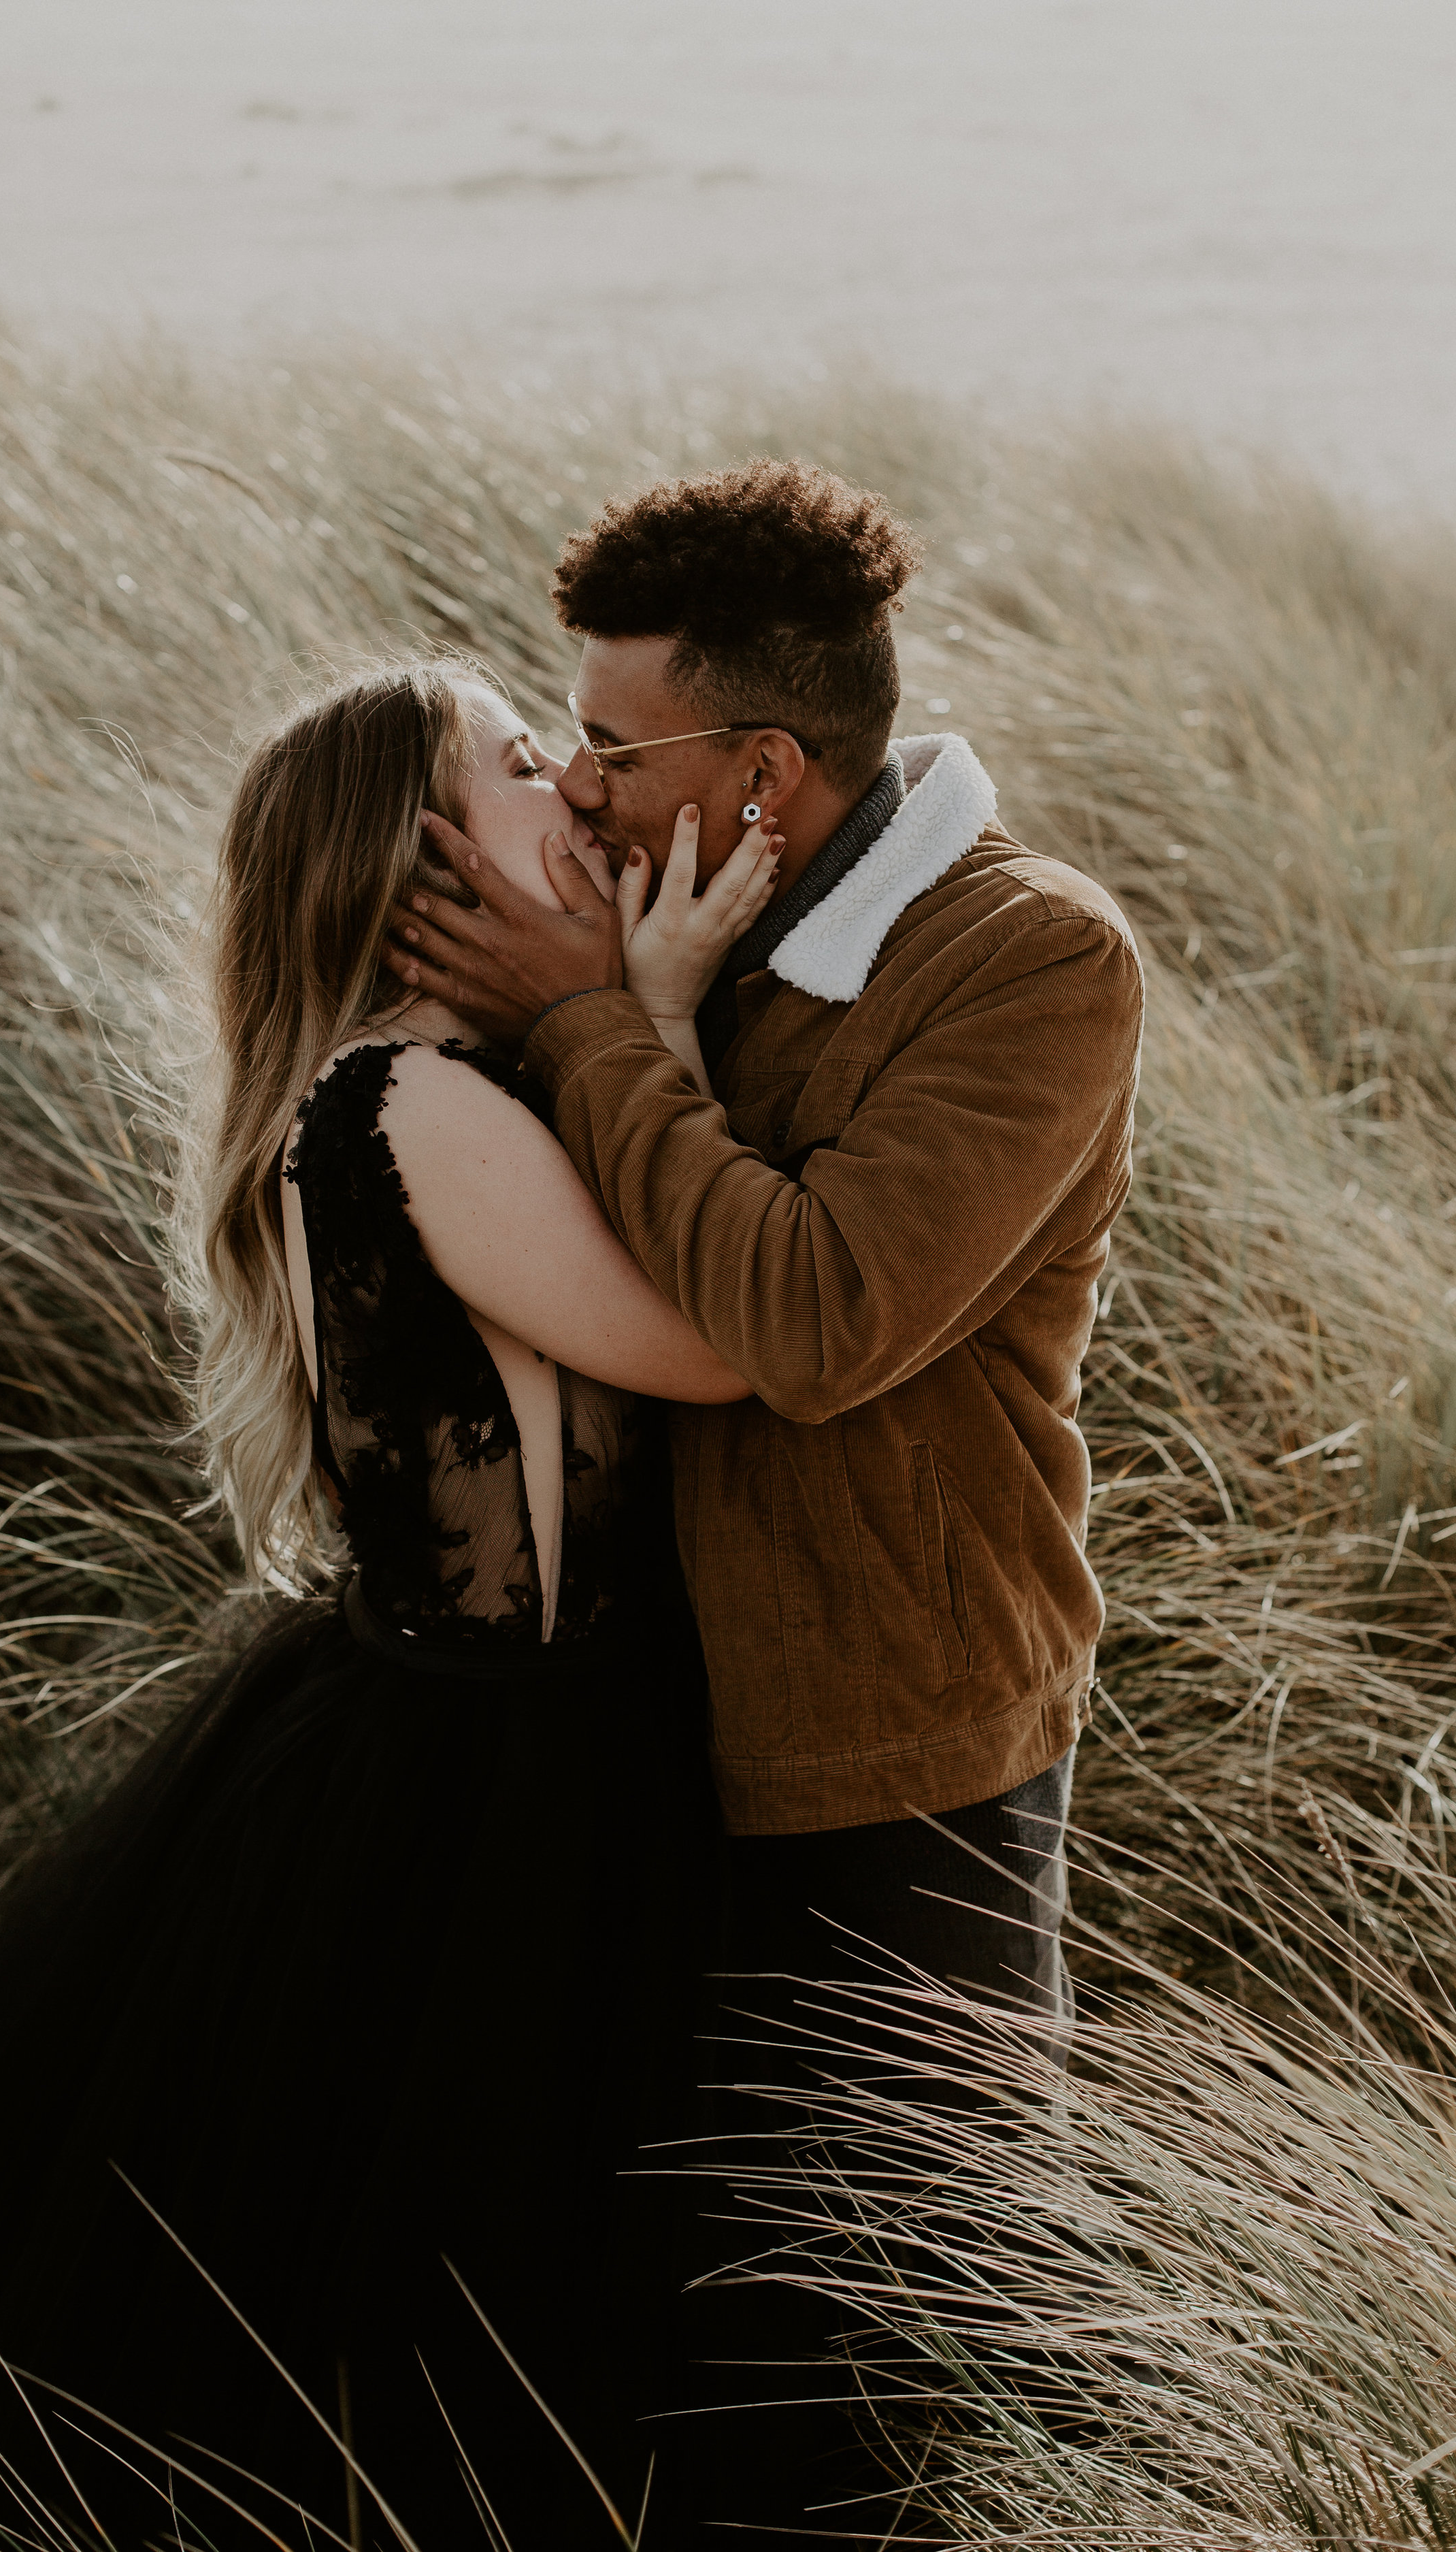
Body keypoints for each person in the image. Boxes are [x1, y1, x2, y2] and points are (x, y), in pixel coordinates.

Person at [0, 659, 782, 2552]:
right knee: (443, 2319)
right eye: (518, 765)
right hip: (499, 1781)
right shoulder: (411, 1103)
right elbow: (713, 1344)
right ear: (418, 866)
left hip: (483, 1735)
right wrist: (637, 1011)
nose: (572, 790)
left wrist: (629, 1014)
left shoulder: (443, 1087)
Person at [384, 459, 1146, 2539]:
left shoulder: (1024, 965)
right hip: (633, 1735)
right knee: (673, 2327)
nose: (587, 788)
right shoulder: (664, 916)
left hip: (896, 1735)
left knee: (925, 2308)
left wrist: (590, 1025)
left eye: (616, 747)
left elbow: (812, 1318)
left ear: (768, 767)